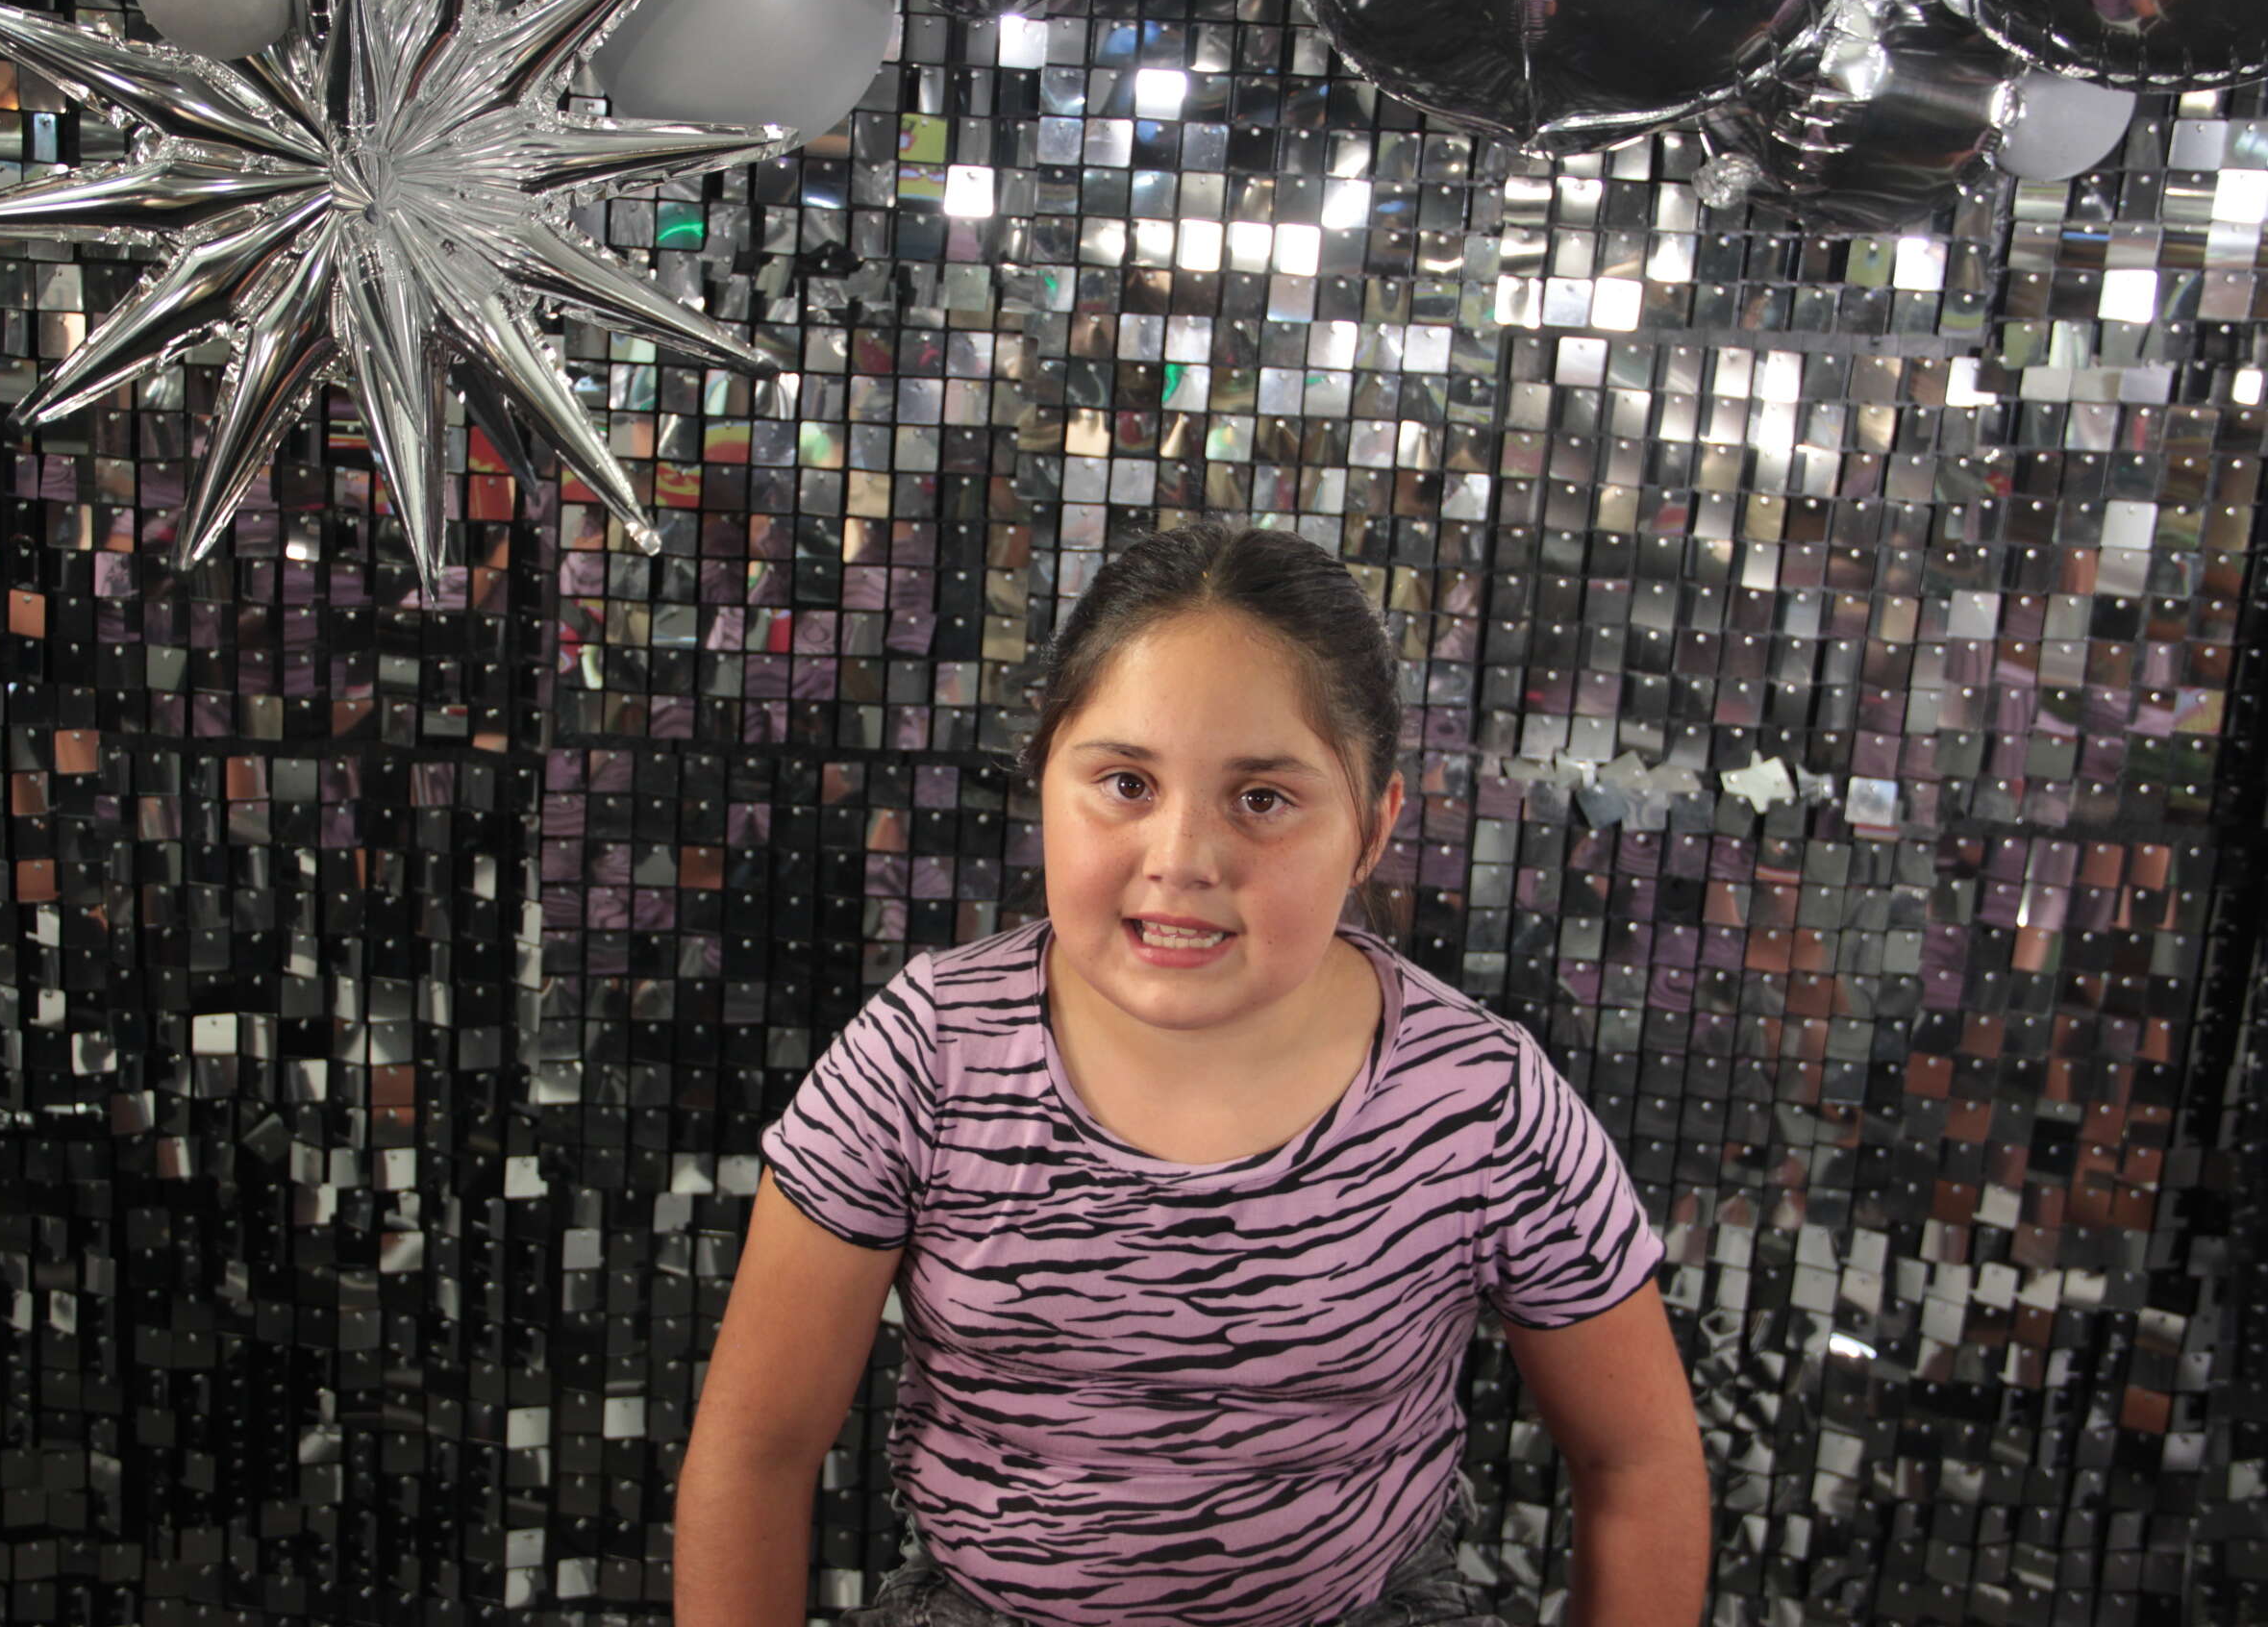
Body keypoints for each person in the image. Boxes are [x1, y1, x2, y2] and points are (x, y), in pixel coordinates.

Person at [673, 517, 1709, 1627]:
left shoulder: (1481, 1101)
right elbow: (755, 1451)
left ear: (1373, 827)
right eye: (1126, 782)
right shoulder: (926, 1055)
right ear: (1043, 777)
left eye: (1262, 800)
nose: (1182, 860)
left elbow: (1640, 1462)